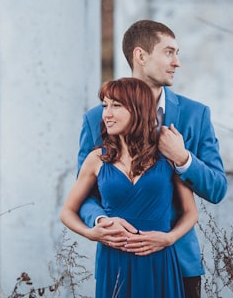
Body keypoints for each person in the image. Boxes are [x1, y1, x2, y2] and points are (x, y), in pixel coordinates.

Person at [77, 20, 227, 298]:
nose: (177, 62)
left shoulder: (196, 115)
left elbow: (217, 189)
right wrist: (100, 221)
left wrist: (183, 158)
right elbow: (84, 193)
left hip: (179, 263)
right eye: (169, 52)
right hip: (119, 261)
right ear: (141, 56)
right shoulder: (97, 119)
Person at [61, 77, 198, 298]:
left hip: (160, 258)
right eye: (105, 105)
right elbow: (67, 211)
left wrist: (169, 238)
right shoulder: (97, 158)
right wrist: (92, 233)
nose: (107, 113)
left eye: (116, 106)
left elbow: (191, 213)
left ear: (138, 109)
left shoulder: (168, 154)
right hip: (114, 260)